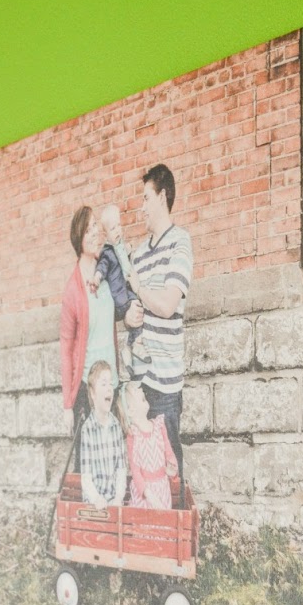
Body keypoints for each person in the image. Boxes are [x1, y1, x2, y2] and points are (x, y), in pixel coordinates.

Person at [124, 163, 193, 490]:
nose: (141, 207)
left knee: (170, 471)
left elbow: (166, 305)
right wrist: (129, 316)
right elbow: (133, 306)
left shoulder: (180, 243)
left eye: (145, 198)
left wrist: (139, 289)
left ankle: (175, 521)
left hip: (165, 385)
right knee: (142, 469)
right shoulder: (138, 255)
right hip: (140, 384)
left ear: (162, 197)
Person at [59, 205, 119, 457]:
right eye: (88, 229)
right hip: (87, 391)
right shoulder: (72, 291)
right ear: (78, 240)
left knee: (112, 462)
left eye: (96, 225)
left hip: (112, 386)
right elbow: (66, 351)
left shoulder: (107, 271)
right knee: (87, 466)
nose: (95, 232)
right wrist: (68, 405)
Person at [92, 203, 150, 368]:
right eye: (112, 229)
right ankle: (135, 344)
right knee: (138, 307)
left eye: (118, 226)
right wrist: (97, 277)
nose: (117, 230)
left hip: (126, 291)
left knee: (139, 309)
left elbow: (124, 259)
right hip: (120, 297)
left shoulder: (119, 246)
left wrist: (128, 250)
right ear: (106, 234)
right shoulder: (107, 252)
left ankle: (128, 348)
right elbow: (102, 266)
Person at [117, 380, 178, 510]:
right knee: (144, 519)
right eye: (135, 391)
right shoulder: (133, 435)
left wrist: (172, 467)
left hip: (162, 488)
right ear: (130, 411)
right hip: (144, 494)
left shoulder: (159, 426)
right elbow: (135, 471)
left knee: (163, 518)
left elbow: (169, 453)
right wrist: (148, 494)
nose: (140, 390)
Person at [79, 361, 127, 510]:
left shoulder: (116, 426)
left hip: (113, 500)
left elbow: (121, 469)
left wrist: (118, 497)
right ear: (93, 393)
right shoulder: (88, 429)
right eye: (103, 384)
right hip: (94, 503)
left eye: (111, 384)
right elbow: (86, 476)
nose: (109, 388)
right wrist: (96, 499)